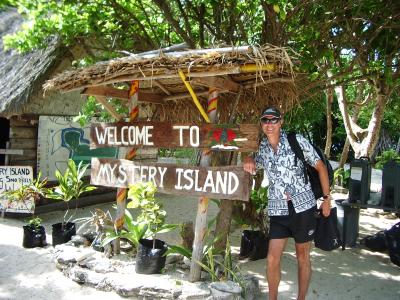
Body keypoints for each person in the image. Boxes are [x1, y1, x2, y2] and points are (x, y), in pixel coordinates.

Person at [243, 106, 331, 300]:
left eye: (273, 120)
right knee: (272, 258)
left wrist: (326, 199)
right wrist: (248, 157)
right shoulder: (263, 148)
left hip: (303, 208)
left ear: (280, 121)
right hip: (278, 210)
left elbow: (321, 167)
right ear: (261, 124)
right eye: (265, 120)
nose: (269, 124)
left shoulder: (295, 140)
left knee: (302, 257)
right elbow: (253, 164)